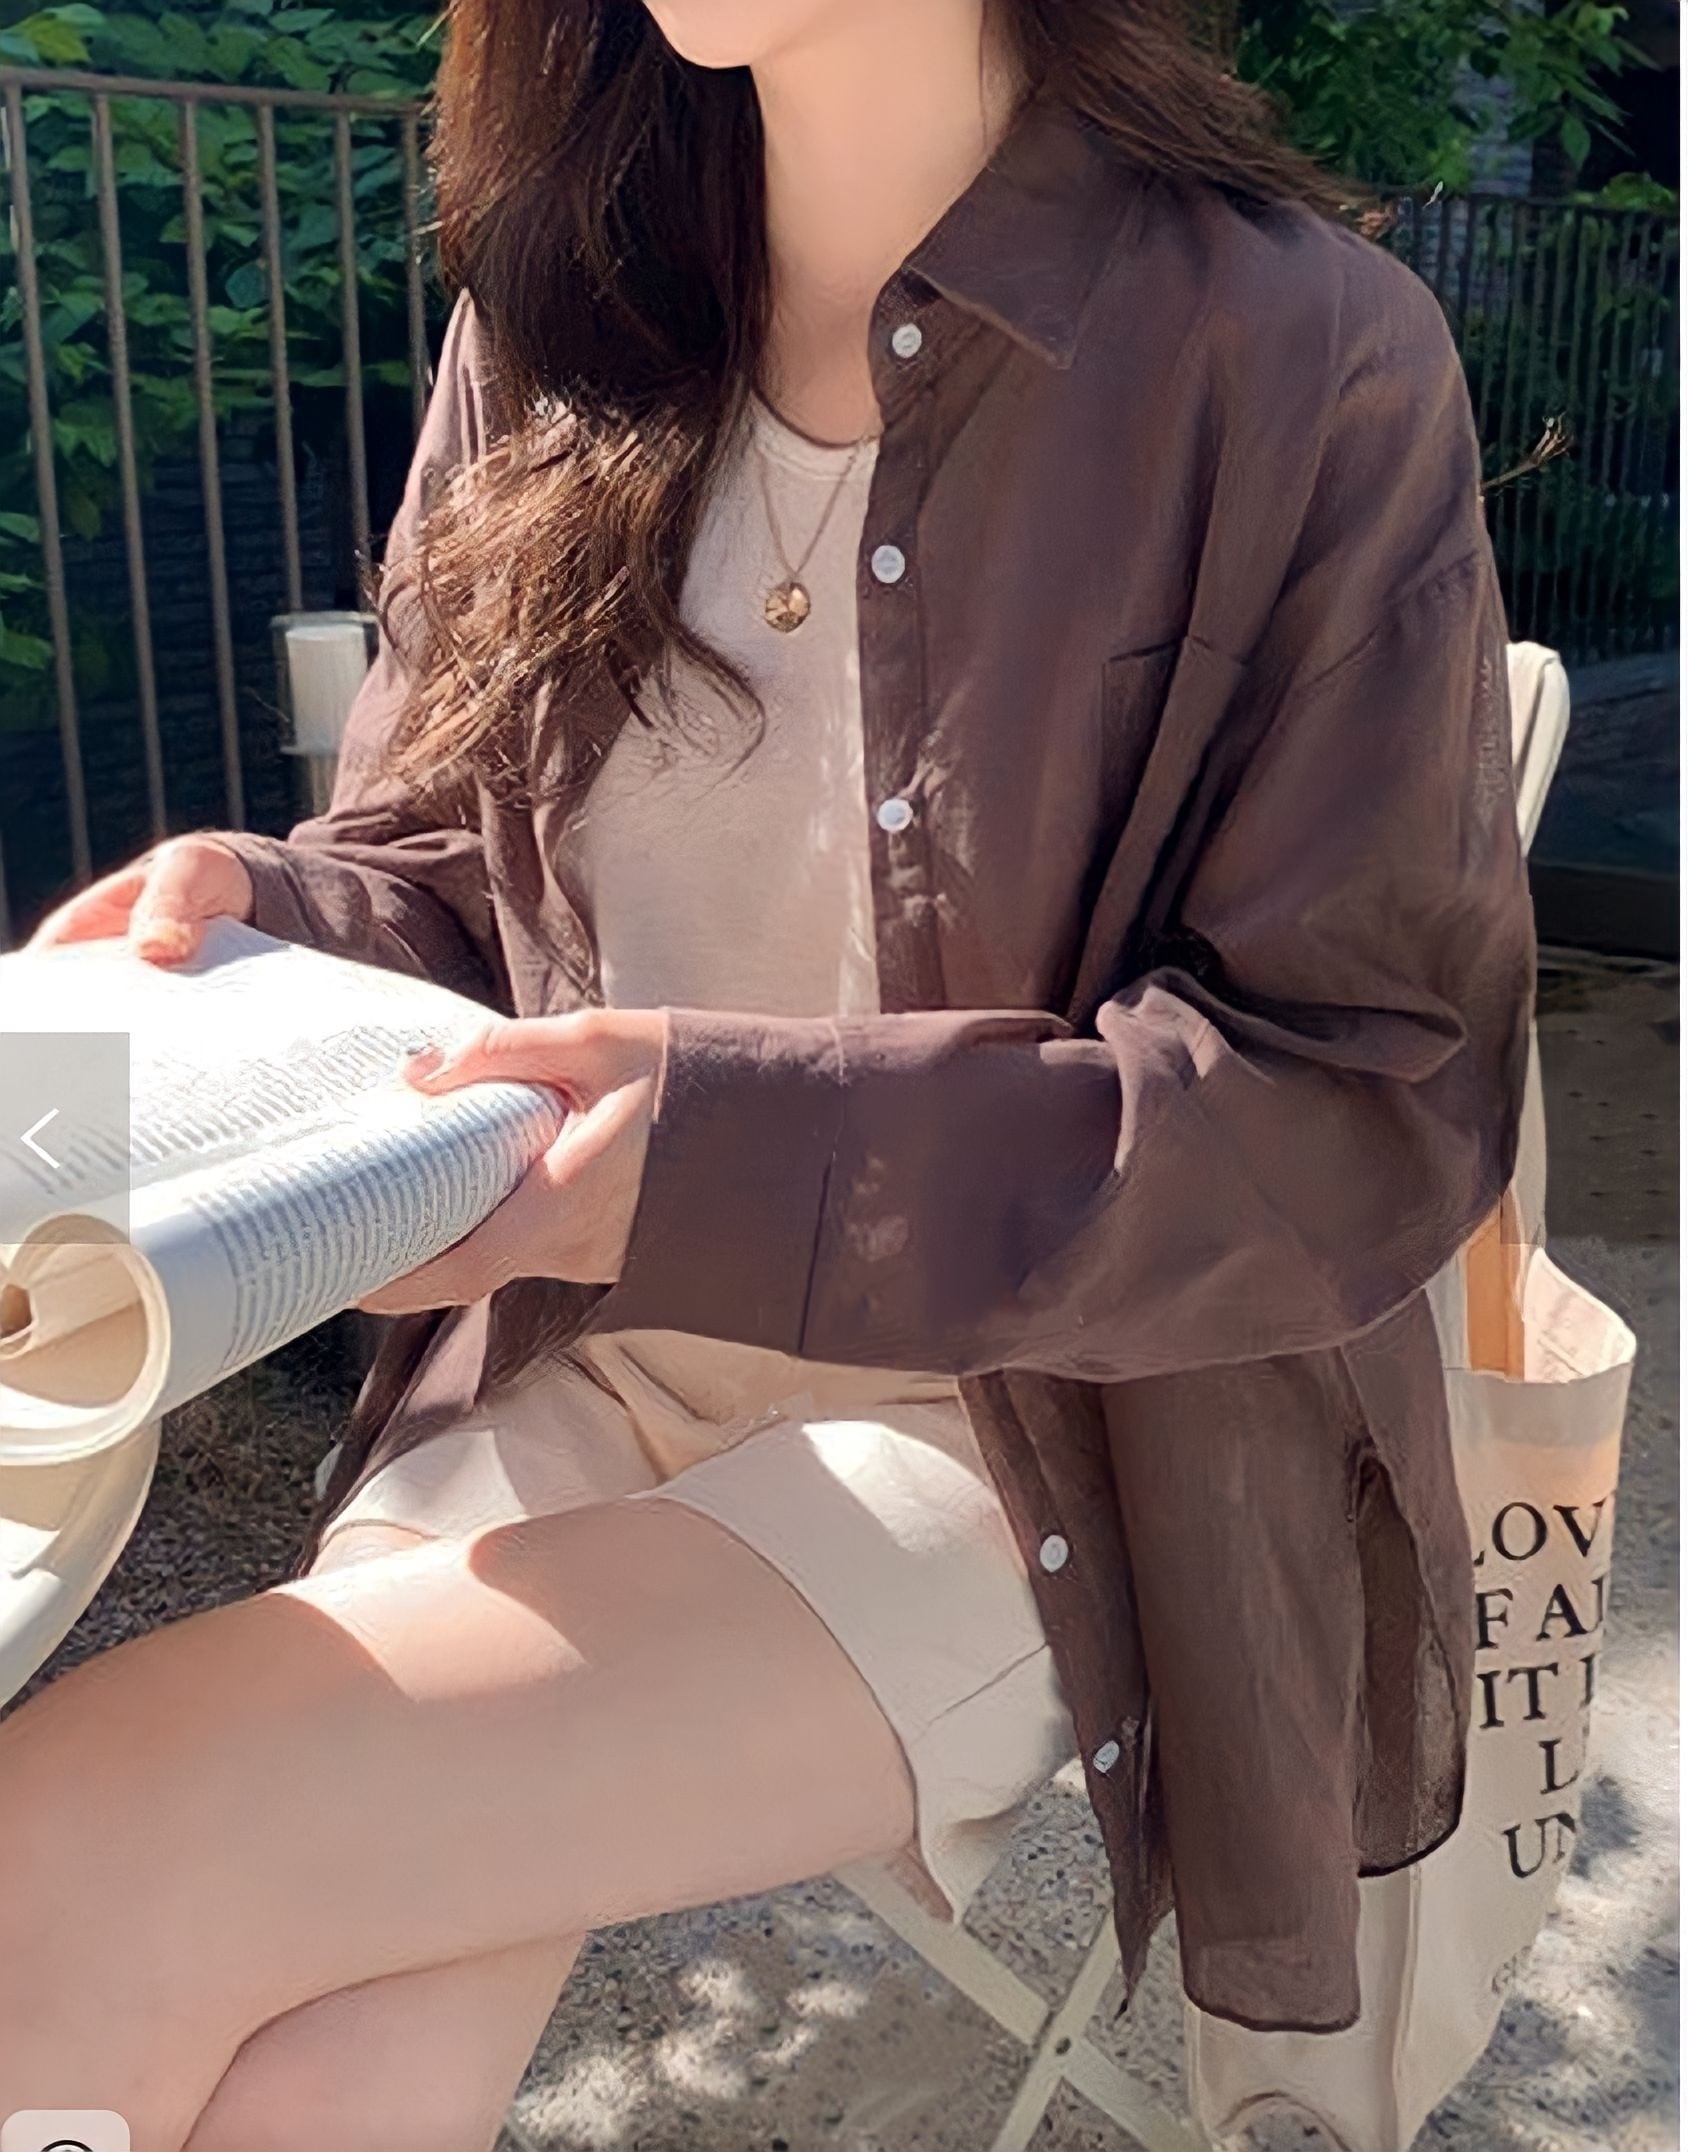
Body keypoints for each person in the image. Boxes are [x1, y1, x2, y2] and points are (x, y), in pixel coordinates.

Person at [1, 1, 1535, 2145]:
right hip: (581, 1358)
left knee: (68, 1850)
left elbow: (1354, 1102)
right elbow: (456, 875)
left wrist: (717, 1163)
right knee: (307, 2067)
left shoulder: (1291, 351)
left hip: (1026, 1443)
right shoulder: (563, 319)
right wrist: (260, 914)